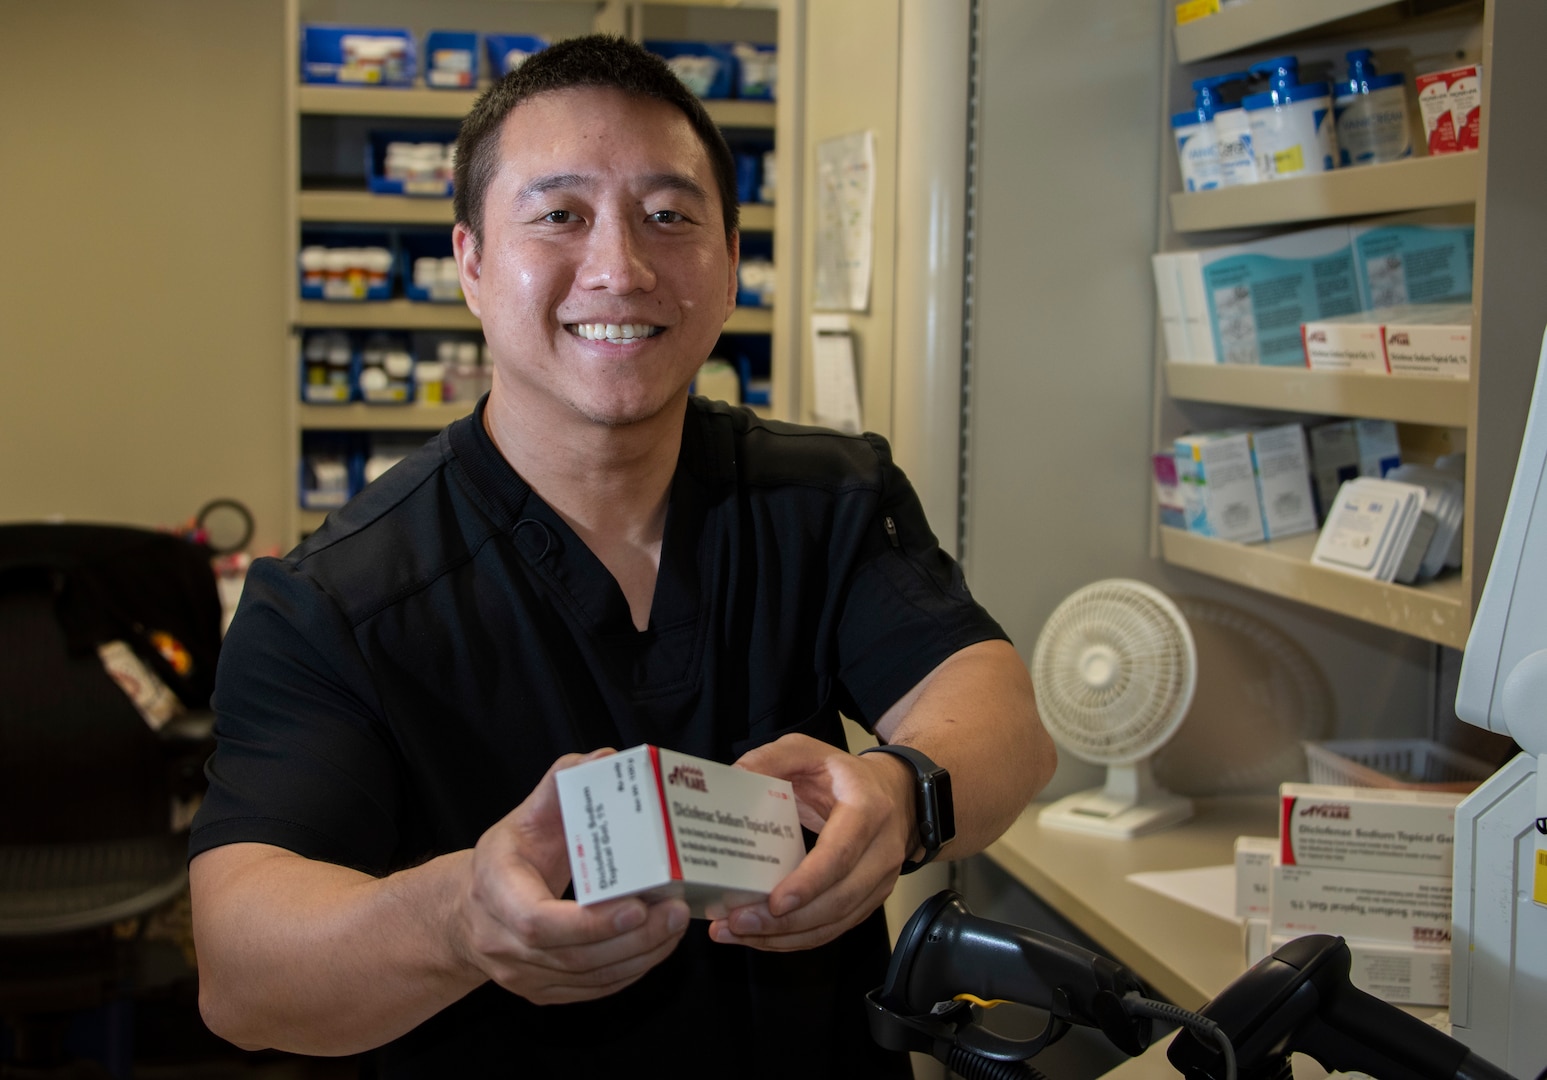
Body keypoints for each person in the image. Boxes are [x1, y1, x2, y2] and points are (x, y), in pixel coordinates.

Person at [189, 34, 1054, 1079]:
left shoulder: (821, 499)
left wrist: (901, 794)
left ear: (730, 264)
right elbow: (240, 972)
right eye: (558, 215)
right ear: (468, 262)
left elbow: (996, 710)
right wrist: (461, 918)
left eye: (667, 216)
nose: (619, 268)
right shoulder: (334, 598)